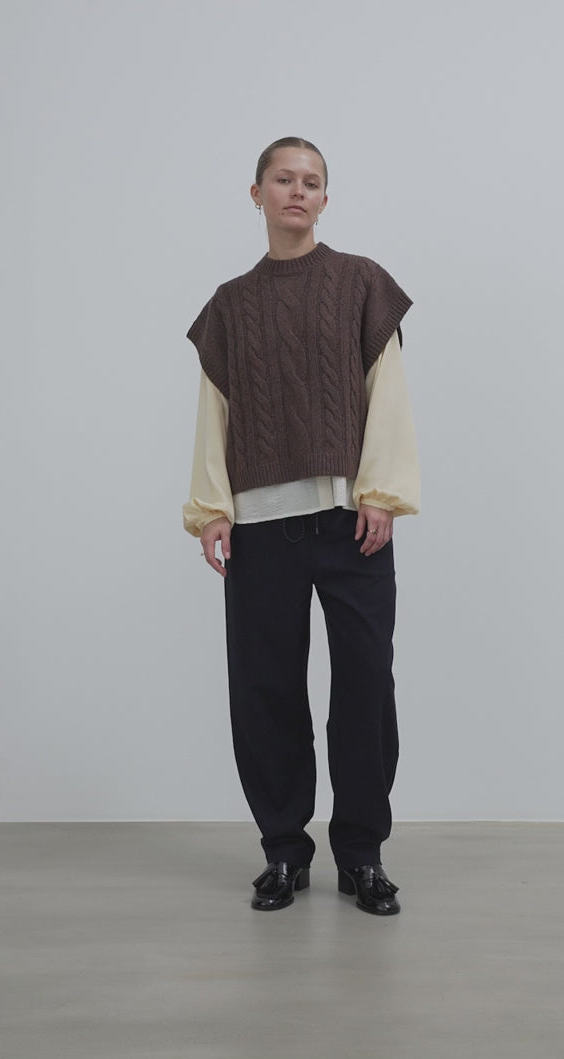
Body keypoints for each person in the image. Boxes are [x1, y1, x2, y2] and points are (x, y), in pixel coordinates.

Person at [183, 137, 420, 915]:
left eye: (311, 181)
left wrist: (381, 492)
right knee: (265, 691)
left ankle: (363, 855)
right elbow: (214, 414)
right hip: (260, 530)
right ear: (256, 193)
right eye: (283, 179)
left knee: (365, 690)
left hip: (354, 525)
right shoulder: (230, 305)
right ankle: (284, 852)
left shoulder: (361, 283)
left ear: (325, 198)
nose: (298, 191)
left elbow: (388, 394)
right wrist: (213, 509)